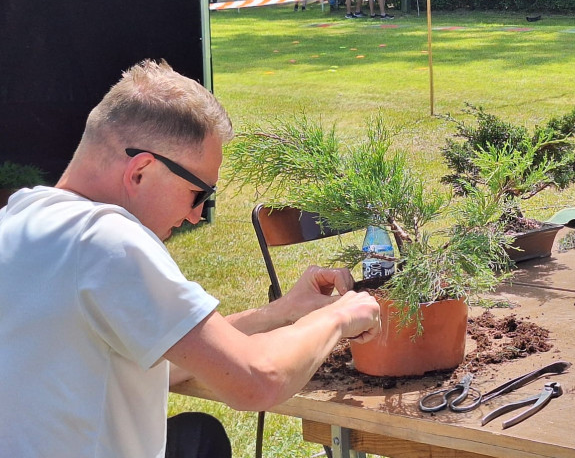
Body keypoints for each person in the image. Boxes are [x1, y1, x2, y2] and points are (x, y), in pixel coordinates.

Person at [0, 60, 381, 457]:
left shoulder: (19, 220)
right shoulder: (107, 241)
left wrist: (281, 312)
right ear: (142, 170)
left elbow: (172, 353)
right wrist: (338, 316)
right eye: (199, 193)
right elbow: (258, 381)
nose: (197, 214)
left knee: (199, 436)